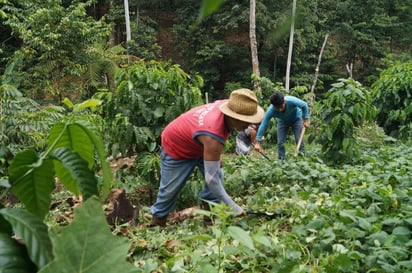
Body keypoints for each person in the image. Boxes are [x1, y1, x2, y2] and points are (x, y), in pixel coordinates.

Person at [150, 88, 264, 227]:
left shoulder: (231, 105)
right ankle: (157, 223)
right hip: (177, 145)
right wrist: (233, 207)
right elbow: (212, 180)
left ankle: (210, 220)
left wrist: (213, 155)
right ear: (233, 116)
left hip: (200, 142)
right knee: (169, 191)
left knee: (218, 174)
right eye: (246, 121)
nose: (249, 124)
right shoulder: (212, 136)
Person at [254, 91, 310, 160]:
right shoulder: (271, 110)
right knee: (280, 142)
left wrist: (306, 119)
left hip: (296, 119)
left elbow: (304, 105)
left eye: (281, 107)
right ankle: (281, 160)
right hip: (283, 122)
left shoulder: (291, 100)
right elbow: (263, 124)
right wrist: (257, 142)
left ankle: (302, 158)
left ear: (284, 102)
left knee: (298, 139)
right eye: (277, 108)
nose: (280, 110)